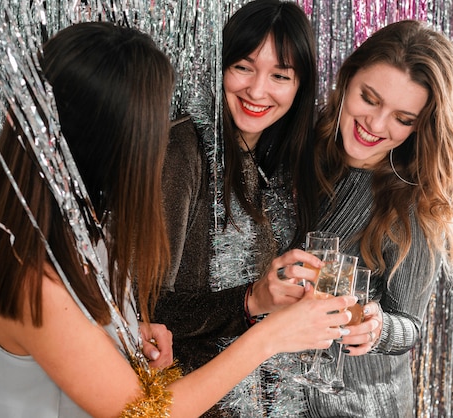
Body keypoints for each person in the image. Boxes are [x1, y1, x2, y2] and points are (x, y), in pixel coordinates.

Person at [0, 22, 357, 418]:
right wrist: (270, 336)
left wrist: (126, 336)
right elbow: (148, 415)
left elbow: (80, 348)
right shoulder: (32, 276)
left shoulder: (61, 226)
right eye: (151, 131)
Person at [153, 0, 324, 415]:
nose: (257, 90)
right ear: (220, 65)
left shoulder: (282, 167)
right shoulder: (181, 150)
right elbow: (147, 311)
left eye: (280, 76)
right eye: (243, 67)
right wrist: (250, 300)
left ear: (299, 87)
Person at [304, 19, 453, 417]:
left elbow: (410, 324)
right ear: (347, 77)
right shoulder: (300, 149)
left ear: (421, 126)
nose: (376, 125)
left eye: (403, 119)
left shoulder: (413, 202)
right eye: (369, 98)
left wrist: (378, 327)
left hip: (358, 406)